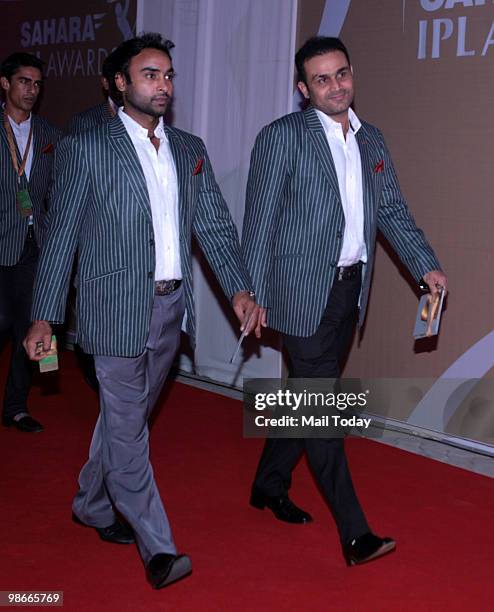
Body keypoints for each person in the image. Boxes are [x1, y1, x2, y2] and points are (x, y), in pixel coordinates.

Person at [24, 33, 258, 589]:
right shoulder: (87, 148)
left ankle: (90, 502)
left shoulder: (190, 149)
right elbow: (61, 241)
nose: (163, 85)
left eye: (169, 75)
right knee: (130, 433)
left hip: (170, 310)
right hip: (112, 310)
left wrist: (240, 290)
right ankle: (158, 547)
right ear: (120, 83)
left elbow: (216, 230)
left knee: (121, 424)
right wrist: (44, 316)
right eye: (150, 74)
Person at [241, 36, 448, 566]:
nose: (335, 86)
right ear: (302, 88)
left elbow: (394, 212)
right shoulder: (281, 138)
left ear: (352, 73)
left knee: (306, 396)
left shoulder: (371, 140)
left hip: (349, 291)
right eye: (321, 79)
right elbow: (260, 224)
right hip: (300, 293)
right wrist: (255, 294)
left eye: (341, 74)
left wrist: (426, 265)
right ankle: (355, 535)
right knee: (321, 410)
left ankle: (268, 483)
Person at [0, 52, 61, 433]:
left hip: (36, 245)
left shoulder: (51, 136)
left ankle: (17, 406)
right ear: (5, 84)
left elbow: (59, 193)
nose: (31, 91)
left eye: (37, 84)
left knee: (36, 325)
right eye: (24, 81)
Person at [66, 51, 122, 135]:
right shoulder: (85, 123)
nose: (123, 84)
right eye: (118, 78)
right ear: (105, 83)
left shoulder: (145, 116)